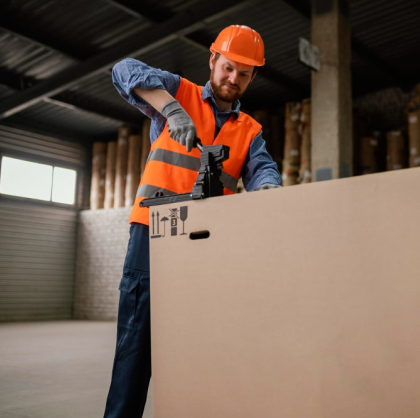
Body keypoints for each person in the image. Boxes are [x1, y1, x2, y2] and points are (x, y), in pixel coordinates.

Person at [104, 25, 281, 418]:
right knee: (135, 352)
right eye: (229, 67)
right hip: (152, 239)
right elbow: (123, 70)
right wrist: (170, 109)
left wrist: (270, 193)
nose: (233, 79)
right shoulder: (176, 91)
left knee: (200, 353)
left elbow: (263, 171)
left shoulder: (249, 131)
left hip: (208, 249)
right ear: (213, 59)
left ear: (253, 78)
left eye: (244, 74)